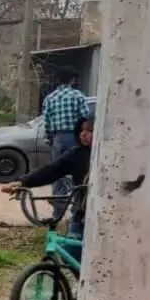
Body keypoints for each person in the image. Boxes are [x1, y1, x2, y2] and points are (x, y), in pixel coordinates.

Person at [1, 116, 93, 262]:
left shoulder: (108, 157)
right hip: (80, 215)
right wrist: (22, 182)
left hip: (100, 217)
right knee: (72, 255)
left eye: (89, 130)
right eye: (81, 130)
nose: (83, 134)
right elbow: (52, 169)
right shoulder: (76, 154)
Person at [40, 67, 88, 220]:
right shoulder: (78, 96)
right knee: (79, 173)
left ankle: (57, 213)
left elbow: (46, 122)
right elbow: (85, 118)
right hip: (74, 138)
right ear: (72, 80)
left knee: (56, 172)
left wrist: (50, 138)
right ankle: (77, 211)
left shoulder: (50, 98)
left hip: (58, 138)